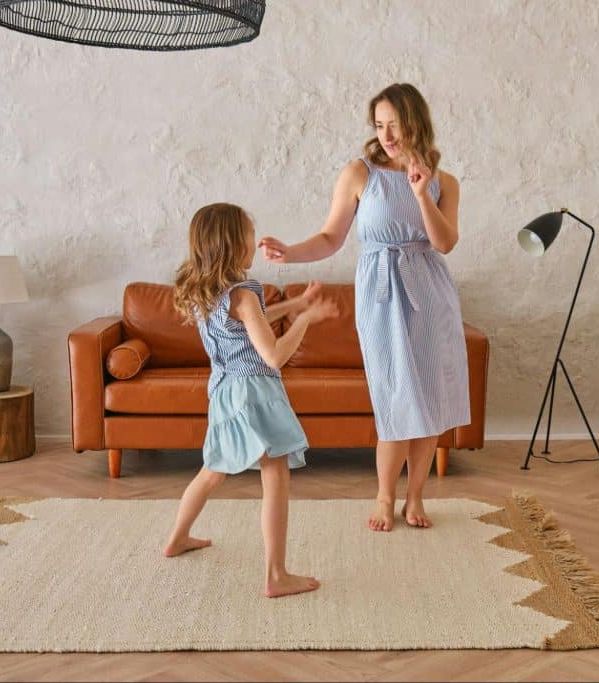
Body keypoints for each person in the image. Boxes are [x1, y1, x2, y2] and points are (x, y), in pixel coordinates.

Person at [257, 83, 469, 532]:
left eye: (394, 124)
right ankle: (384, 496)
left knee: (428, 396)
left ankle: (415, 498)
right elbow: (331, 237)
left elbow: (444, 243)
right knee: (394, 397)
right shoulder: (360, 173)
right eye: (379, 124)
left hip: (430, 293)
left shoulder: (442, 182)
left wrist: (419, 193)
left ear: (416, 122)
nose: (387, 134)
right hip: (381, 295)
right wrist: (289, 252)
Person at [164, 202, 337, 598]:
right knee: (274, 474)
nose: (253, 243)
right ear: (231, 243)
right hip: (255, 391)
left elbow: (249, 320)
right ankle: (276, 575)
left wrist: (294, 305)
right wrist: (306, 320)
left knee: (212, 469)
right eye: (248, 235)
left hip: (224, 391)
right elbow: (273, 354)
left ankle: (177, 538)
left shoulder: (204, 292)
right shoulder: (243, 293)